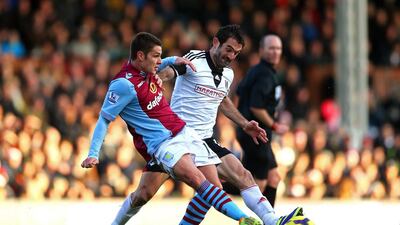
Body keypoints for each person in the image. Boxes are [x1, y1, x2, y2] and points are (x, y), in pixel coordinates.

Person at [111, 26, 310, 225]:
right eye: (229, 49)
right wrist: (158, 78)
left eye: (236, 53)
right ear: (216, 42)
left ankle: (272, 220)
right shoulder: (195, 59)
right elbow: (173, 71)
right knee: (143, 194)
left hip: (206, 140)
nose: (231, 56)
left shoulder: (228, 74)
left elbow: (222, 100)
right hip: (175, 138)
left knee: (240, 176)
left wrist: (244, 123)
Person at [81, 32, 261, 225]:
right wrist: (93, 152)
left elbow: (162, 62)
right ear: (141, 56)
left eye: (161, 56)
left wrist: (174, 59)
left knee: (211, 186)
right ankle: (243, 219)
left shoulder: (147, 69)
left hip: (183, 131)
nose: (160, 61)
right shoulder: (123, 85)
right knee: (196, 179)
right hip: (162, 144)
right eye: (156, 56)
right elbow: (103, 120)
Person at [236, 34, 288, 208]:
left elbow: (239, 94)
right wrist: (274, 125)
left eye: (278, 48)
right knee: (258, 183)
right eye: (271, 48)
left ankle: (269, 219)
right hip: (256, 134)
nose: (275, 52)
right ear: (261, 50)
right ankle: (211, 188)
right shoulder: (265, 75)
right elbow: (256, 107)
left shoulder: (257, 71)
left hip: (257, 135)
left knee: (274, 177)